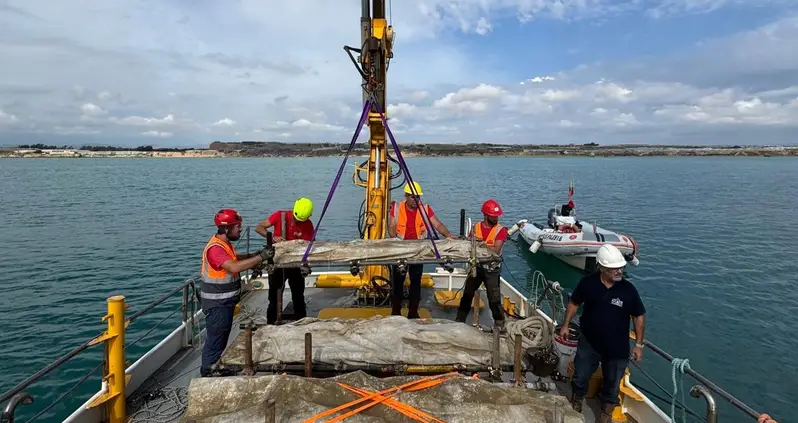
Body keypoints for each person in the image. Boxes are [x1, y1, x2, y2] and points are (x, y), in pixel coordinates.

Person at [559, 243, 646, 422]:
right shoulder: (587, 283)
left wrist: (638, 344)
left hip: (617, 349)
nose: (619, 271)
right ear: (602, 267)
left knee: (613, 386)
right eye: (614, 268)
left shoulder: (628, 290)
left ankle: (605, 415)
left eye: (621, 267)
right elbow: (574, 303)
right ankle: (576, 402)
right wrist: (565, 325)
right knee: (580, 376)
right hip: (589, 343)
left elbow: (638, 316)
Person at [200, 208, 271, 377]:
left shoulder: (223, 244)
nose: (240, 229)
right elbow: (233, 267)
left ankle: (216, 368)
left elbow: (233, 258)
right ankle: (209, 373)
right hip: (218, 304)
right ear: (226, 229)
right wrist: (261, 257)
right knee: (215, 341)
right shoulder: (215, 249)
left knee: (221, 338)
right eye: (237, 226)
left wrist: (251, 255)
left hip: (224, 302)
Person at [388, 181, 457, 318]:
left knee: (416, 281)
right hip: (401, 249)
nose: (416, 200)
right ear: (406, 196)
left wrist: (448, 235)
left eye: (418, 197)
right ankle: (396, 312)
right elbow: (391, 226)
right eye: (413, 197)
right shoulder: (396, 208)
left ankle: (413, 313)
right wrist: (392, 232)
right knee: (398, 282)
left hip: (418, 250)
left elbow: (437, 224)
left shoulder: (424, 209)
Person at [254, 197, 314, 324]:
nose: (298, 222)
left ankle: (301, 324)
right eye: (297, 219)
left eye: (301, 221)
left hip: (295, 265)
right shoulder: (279, 216)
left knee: (298, 297)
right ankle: (271, 324)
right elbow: (259, 228)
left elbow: (308, 245)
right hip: (278, 262)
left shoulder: (308, 225)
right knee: (274, 298)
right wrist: (272, 237)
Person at [456, 199, 508, 330]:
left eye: (497, 216)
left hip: (491, 270)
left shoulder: (500, 230)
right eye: (493, 216)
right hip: (477, 267)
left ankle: (500, 324)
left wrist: (480, 244)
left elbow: (496, 249)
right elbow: (468, 246)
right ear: (485, 215)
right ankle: (459, 321)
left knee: (494, 300)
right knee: (467, 295)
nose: (496, 218)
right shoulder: (475, 228)